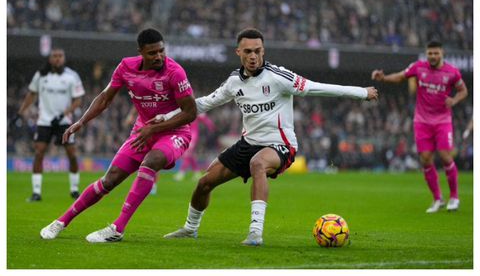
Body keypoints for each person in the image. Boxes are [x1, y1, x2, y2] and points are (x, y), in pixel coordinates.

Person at [162, 28, 378, 246]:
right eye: (248, 51)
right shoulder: (234, 81)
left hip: (280, 145)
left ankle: (255, 233)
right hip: (248, 143)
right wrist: (166, 116)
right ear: (238, 52)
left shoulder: (279, 77)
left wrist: (361, 92)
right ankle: (190, 229)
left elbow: (317, 88)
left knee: (258, 164)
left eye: (257, 51)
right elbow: (204, 103)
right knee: (204, 183)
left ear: (263, 51)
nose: (253, 56)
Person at [39, 28, 197, 242]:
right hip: (143, 131)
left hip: (174, 132)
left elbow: (190, 112)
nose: (159, 56)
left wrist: (154, 128)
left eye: (161, 51)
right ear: (140, 51)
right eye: (152, 53)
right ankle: (61, 221)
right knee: (109, 179)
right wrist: (81, 121)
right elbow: (105, 98)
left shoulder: (174, 72)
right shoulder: (126, 67)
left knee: (151, 162)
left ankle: (117, 229)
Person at [371, 41, 468, 213]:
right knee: (425, 159)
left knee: (445, 156)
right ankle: (437, 199)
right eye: (430, 53)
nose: (433, 56)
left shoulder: (452, 72)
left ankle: (454, 197)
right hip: (422, 121)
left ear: (442, 53)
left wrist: (454, 100)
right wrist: (384, 78)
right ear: (426, 54)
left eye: (436, 53)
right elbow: (401, 77)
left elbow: (463, 91)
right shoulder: (418, 67)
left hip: (442, 121)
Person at [14, 47, 85, 202]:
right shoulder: (40, 75)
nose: (57, 58)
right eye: (55, 56)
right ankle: (36, 192)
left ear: (64, 58)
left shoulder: (72, 76)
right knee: (39, 153)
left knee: (72, 154)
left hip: (64, 122)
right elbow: (31, 94)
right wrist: (20, 113)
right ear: (50, 58)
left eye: (60, 56)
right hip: (44, 121)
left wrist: (62, 115)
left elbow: (78, 100)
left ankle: (74, 190)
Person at [173, 113, 216, 181]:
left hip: (193, 136)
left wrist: (212, 128)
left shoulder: (195, 110)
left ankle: (181, 173)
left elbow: (205, 119)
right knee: (190, 156)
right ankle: (197, 173)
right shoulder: (185, 110)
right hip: (185, 135)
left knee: (187, 154)